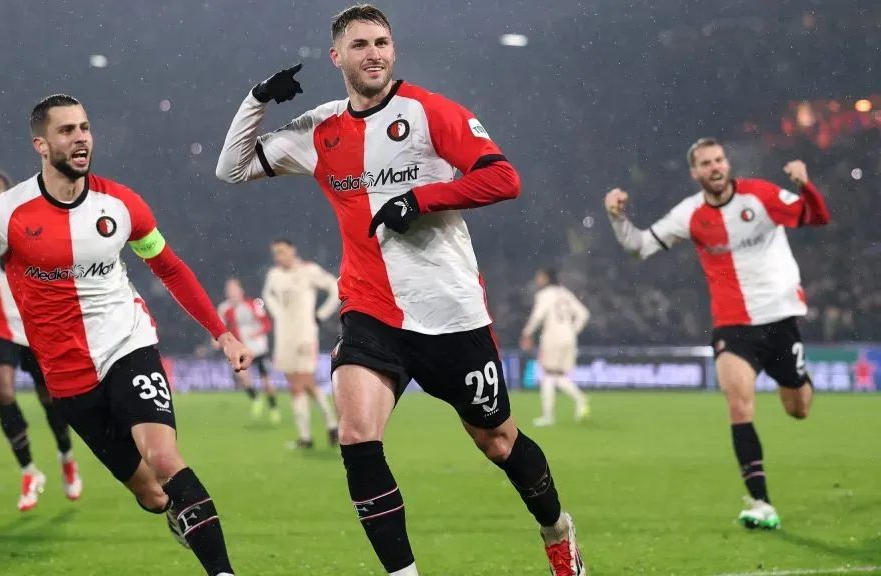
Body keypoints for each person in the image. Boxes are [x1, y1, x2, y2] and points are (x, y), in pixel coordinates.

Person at [216, 4, 585, 574]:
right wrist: (257, 98)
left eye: (382, 42)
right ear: (337, 57)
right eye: (360, 45)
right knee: (358, 439)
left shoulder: (429, 111)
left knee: (499, 443)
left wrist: (422, 198)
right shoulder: (320, 128)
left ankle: (557, 530)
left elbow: (503, 178)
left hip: (450, 313)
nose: (375, 54)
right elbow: (231, 169)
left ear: (394, 50)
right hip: (370, 309)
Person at [0, 94, 251, 576]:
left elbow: (168, 266)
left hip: (128, 345)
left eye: (85, 127)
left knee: (164, 457)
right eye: (67, 130)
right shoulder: (6, 213)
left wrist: (222, 333)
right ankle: (176, 513)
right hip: (67, 376)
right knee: (152, 494)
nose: (81, 136)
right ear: (41, 144)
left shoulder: (121, 204)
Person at [604, 137, 831, 530]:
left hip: (780, 319)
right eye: (706, 163)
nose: (715, 167)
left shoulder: (760, 195)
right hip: (733, 325)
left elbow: (816, 217)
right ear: (695, 173)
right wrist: (616, 217)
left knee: (798, 408)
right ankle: (761, 503)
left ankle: (798, 378)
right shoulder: (689, 214)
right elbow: (639, 247)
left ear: (728, 163)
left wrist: (804, 186)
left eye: (720, 159)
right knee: (739, 405)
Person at [0, 167, 81, 511]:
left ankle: (66, 456)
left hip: (35, 327)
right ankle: (29, 471)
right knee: (4, 394)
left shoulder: (28, 223)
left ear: (7, 192)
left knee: (51, 402)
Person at [262, 239, 341, 449]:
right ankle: (309, 435)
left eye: (282, 251)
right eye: (275, 253)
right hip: (284, 337)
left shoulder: (309, 270)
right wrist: (277, 313)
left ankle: (329, 426)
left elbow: (335, 287)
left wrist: (321, 315)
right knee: (295, 385)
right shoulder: (274, 275)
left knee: (305, 381)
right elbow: (267, 295)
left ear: (293, 250)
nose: (279, 256)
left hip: (305, 334)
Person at [519, 268, 590, 427]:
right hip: (569, 338)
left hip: (552, 337)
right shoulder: (565, 293)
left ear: (545, 278)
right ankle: (579, 399)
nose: (537, 279)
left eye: (539, 277)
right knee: (556, 375)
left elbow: (538, 315)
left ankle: (549, 416)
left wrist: (526, 333)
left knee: (548, 374)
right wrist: (572, 330)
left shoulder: (544, 295)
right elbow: (584, 314)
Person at [216, 276, 281, 423]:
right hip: (242, 348)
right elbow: (219, 327)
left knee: (267, 382)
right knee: (242, 376)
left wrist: (256, 333)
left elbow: (267, 324)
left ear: (241, 290)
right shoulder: (224, 308)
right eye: (229, 289)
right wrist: (216, 340)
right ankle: (256, 397)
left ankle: (273, 408)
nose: (231, 292)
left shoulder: (253, 304)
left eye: (234, 288)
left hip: (259, 348)